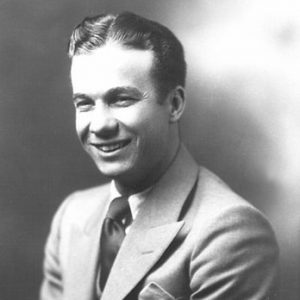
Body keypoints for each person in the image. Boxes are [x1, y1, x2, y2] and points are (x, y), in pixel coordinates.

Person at [40, 12, 279, 300]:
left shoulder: (229, 232)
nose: (100, 124)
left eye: (121, 99)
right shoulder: (73, 216)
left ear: (175, 104)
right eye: (85, 103)